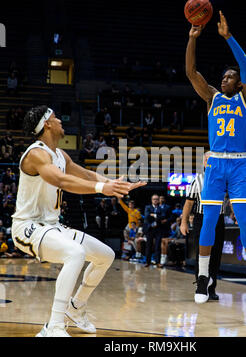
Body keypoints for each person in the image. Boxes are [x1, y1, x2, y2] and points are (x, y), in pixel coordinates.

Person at [11, 105, 146, 337]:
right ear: (47, 124)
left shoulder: (60, 155)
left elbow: (84, 174)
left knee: (106, 256)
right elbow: (61, 180)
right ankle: (54, 326)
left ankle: (76, 307)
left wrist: (113, 186)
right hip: (27, 227)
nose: (60, 120)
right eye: (56, 118)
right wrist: (102, 188)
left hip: (52, 226)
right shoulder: (36, 154)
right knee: (75, 254)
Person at [186, 11, 246, 304]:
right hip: (216, 164)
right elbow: (191, 72)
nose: (225, 78)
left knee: (245, 220)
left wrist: (227, 37)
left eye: (230, 76)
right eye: (224, 75)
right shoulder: (212, 98)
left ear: (240, 84)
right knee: (208, 222)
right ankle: (204, 277)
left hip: (239, 164)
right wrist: (192, 39)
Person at [180, 151, 225, 300]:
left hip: (219, 219)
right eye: (207, 159)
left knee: (216, 254)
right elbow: (188, 203)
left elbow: (230, 199)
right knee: (202, 254)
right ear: (204, 162)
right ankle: (201, 286)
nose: (210, 162)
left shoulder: (224, 178)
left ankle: (211, 289)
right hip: (202, 218)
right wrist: (184, 222)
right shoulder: (198, 180)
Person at [143, 194, 162, 267]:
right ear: (152, 200)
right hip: (150, 229)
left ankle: (158, 262)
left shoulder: (160, 208)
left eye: (157, 199)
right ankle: (147, 262)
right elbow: (147, 216)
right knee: (149, 246)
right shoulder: (148, 207)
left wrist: (154, 215)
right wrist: (157, 216)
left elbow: (162, 216)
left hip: (158, 229)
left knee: (157, 246)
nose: (155, 200)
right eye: (154, 199)